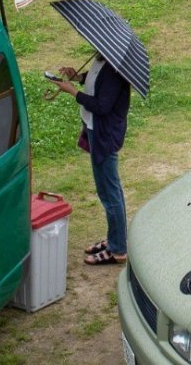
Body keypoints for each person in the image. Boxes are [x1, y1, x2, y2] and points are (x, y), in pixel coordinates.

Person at [49, 52, 131, 266]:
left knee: (109, 191)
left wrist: (73, 93)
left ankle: (118, 249)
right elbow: (96, 81)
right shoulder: (102, 59)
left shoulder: (115, 70)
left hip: (104, 135)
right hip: (96, 131)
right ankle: (117, 238)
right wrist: (77, 77)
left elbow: (102, 106)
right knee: (109, 189)